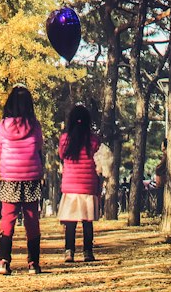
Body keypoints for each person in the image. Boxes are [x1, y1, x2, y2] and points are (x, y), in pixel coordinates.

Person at [0, 85, 44, 275]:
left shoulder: (2, 126)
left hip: (9, 177)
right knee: (32, 219)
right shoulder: (35, 125)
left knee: (8, 217)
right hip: (31, 176)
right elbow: (39, 146)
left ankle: (3, 261)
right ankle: (33, 263)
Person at [58, 103, 100, 266]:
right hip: (88, 186)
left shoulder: (65, 139)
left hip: (70, 186)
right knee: (87, 221)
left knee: (70, 222)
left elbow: (61, 155)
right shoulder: (93, 139)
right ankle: (88, 251)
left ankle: (69, 251)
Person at [153, 138, 168, 216]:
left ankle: (159, 211)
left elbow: (160, 167)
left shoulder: (166, 154)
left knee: (160, 196)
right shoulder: (165, 155)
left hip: (162, 180)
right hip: (161, 179)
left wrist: (157, 168)